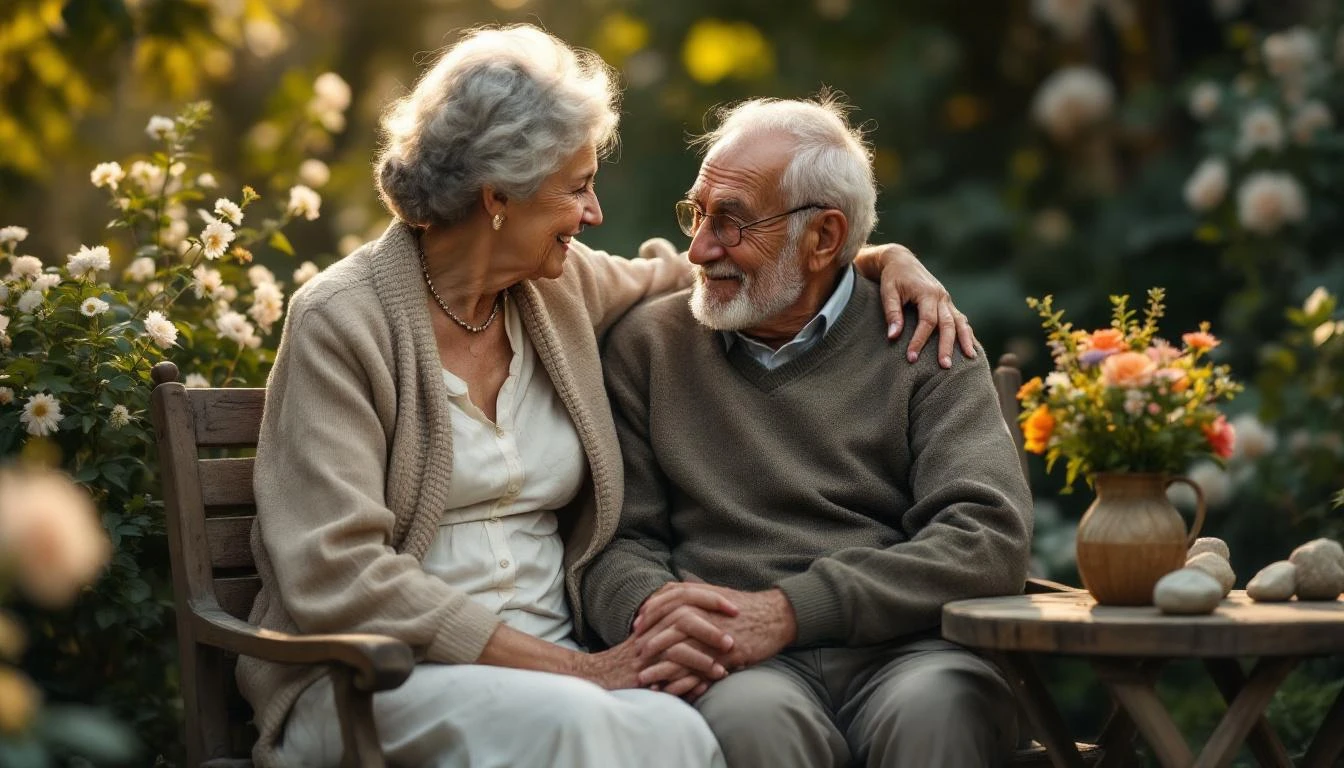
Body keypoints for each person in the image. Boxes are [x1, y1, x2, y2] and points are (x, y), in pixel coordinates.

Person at [239, 25, 976, 768]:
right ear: (498, 197)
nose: (593, 212)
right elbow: (337, 571)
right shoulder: (342, 320)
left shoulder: (557, 289)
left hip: (564, 671)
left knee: (686, 732)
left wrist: (875, 258)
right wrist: (577, 669)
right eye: (577, 187)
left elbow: (730, 269)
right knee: (587, 727)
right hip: (379, 673)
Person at [581, 95, 1034, 768]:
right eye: (697, 213)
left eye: (731, 222)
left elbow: (986, 539)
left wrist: (790, 611)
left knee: (939, 712)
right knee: (750, 725)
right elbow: (613, 542)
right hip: (731, 661)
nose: (699, 248)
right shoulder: (647, 346)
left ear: (823, 238)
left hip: (914, 652)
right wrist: (663, 615)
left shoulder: (928, 341)